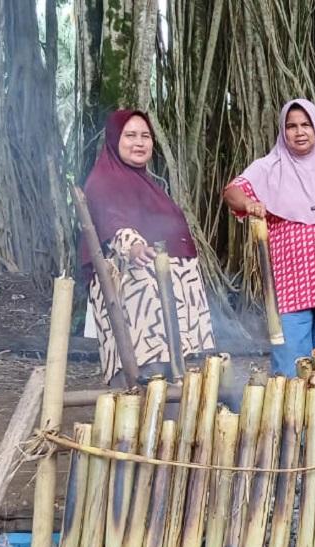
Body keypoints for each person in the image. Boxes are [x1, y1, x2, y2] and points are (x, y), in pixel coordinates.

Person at [81, 109, 215, 386]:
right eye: (130, 135)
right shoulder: (102, 181)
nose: (139, 143)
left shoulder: (149, 184)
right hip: (140, 302)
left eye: (145, 136)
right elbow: (113, 223)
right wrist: (134, 247)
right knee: (147, 380)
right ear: (114, 139)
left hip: (173, 304)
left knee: (178, 381)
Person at [223, 99, 315, 375]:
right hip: (289, 290)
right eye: (291, 126)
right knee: (292, 371)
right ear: (283, 131)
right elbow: (232, 192)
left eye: (306, 125)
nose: (299, 131)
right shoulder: (269, 168)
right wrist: (249, 203)